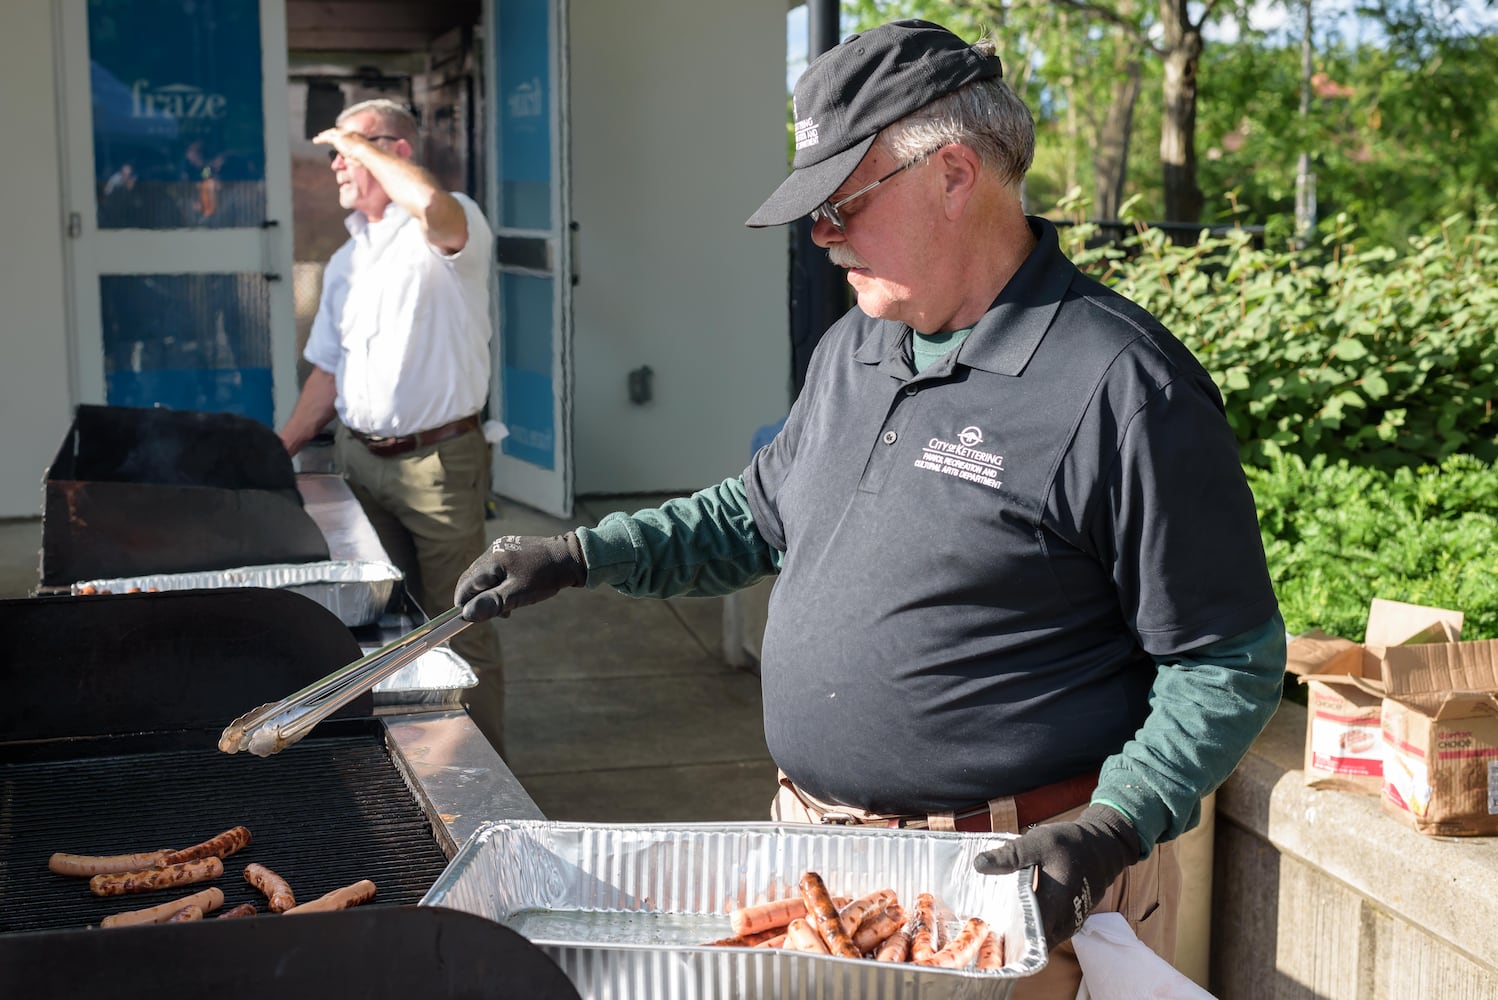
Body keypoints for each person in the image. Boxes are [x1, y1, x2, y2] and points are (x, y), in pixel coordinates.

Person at [453, 19, 1285, 997]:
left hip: (1014, 889)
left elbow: (1225, 660)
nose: (820, 232)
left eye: (844, 200)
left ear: (954, 176)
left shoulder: (1117, 385)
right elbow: (755, 516)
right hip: (818, 866)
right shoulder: (859, 343)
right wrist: (583, 556)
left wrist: (1117, 819)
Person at [277, 97, 507, 757]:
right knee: (378, 627)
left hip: (438, 467)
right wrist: (278, 451)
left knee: (460, 626)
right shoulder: (350, 258)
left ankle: (485, 788)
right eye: (333, 156)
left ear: (395, 152)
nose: (335, 167)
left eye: (346, 152)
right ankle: (407, 758)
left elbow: (435, 210)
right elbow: (327, 371)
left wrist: (362, 142)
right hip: (360, 463)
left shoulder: (450, 224)